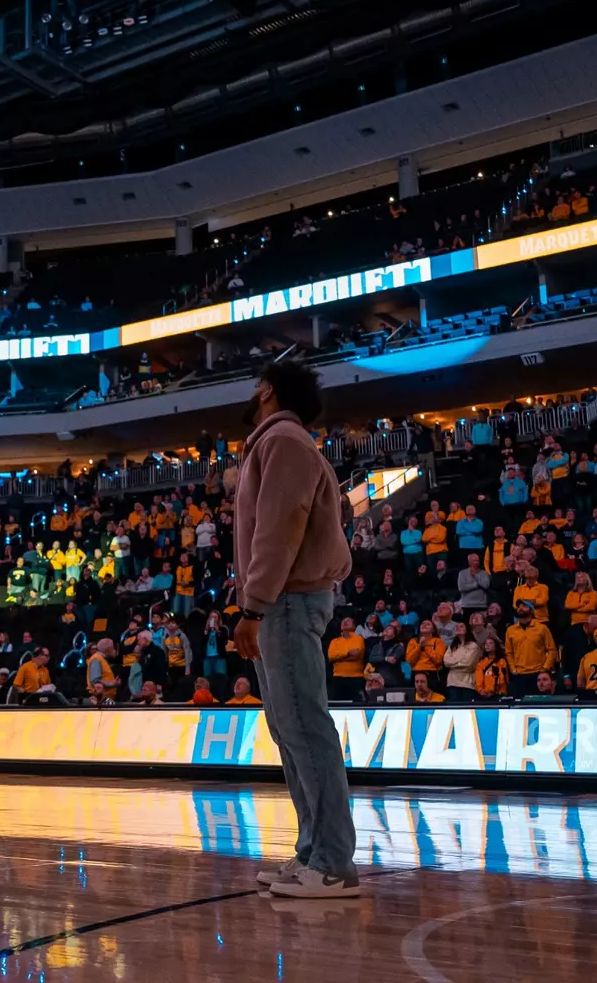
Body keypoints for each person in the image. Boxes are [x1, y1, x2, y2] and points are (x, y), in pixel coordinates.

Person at [229, 361, 359, 898]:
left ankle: (332, 862)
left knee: (304, 726)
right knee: (290, 730)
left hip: (286, 599)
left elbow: (281, 526)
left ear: (267, 390)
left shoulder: (283, 440)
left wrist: (254, 605)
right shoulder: (283, 440)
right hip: (283, 598)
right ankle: (312, 852)